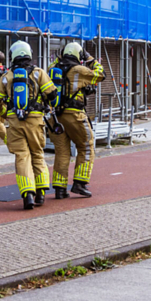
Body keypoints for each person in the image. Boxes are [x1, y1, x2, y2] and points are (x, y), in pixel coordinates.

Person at [0, 41, 58, 210]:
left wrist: (5, 114)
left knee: (22, 156)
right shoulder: (38, 73)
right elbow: (52, 95)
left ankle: (27, 194)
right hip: (36, 119)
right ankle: (41, 193)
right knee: (37, 153)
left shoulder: (7, 76)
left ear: (12, 55)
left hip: (15, 120)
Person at [48, 42, 105, 198]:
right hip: (75, 115)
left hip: (56, 118)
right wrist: (90, 59)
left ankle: (60, 189)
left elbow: (50, 68)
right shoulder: (79, 70)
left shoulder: (53, 70)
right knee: (86, 146)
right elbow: (101, 74)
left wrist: (59, 57)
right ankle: (79, 183)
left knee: (62, 151)